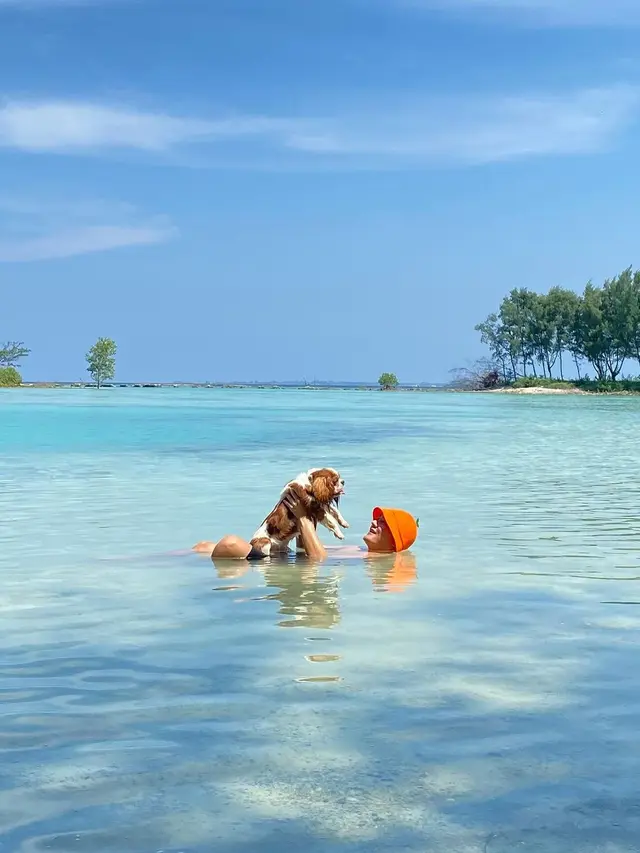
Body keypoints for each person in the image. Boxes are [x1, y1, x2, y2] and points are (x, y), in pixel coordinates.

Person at [192, 489, 418, 562]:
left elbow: (317, 559)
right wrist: (307, 509)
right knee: (203, 546)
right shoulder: (360, 551)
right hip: (283, 557)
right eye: (376, 519)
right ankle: (157, 562)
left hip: (269, 566)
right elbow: (304, 552)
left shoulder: (376, 562)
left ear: (395, 540)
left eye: (382, 523)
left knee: (230, 543)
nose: (373, 523)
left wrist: (301, 517)